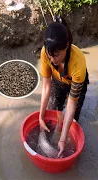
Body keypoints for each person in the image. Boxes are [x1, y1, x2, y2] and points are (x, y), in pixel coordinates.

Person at [38, 17, 89, 157]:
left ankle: (63, 137)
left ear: (66, 46)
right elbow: (46, 86)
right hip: (58, 80)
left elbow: (71, 104)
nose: (53, 60)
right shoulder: (45, 53)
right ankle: (55, 131)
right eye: (50, 55)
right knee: (55, 108)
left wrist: (62, 140)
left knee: (73, 117)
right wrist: (41, 116)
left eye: (57, 55)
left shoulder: (78, 63)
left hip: (75, 82)